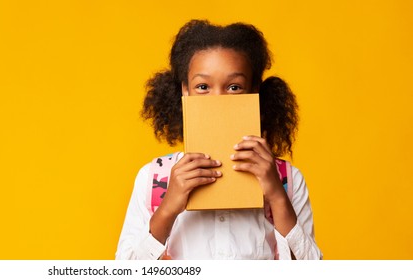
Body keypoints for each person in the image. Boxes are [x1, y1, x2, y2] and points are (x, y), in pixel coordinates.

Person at [116, 20, 322, 260]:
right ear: (186, 91)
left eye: (234, 87)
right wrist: (168, 208)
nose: (218, 99)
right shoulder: (153, 179)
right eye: (203, 86)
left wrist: (277, 196)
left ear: (254, 91)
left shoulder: (288, 180)